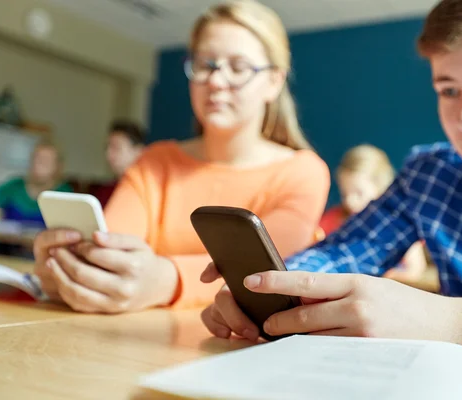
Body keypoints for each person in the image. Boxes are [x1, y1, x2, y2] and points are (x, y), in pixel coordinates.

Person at [201, 0, 462, 357]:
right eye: (449, 90)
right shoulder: (430, 174)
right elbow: (348, 251)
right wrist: (278, 289)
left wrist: (454, 320)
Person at [32, 0, 330, 313]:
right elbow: (110, 250)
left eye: (238, 67)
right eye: (206, 64)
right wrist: (71, 268)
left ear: (273, 82)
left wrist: (166, 280)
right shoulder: (154, 163)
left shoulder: (303, 171)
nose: (215, 81)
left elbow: (265, 272)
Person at [320, 144, 428, 281]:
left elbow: (414, 271)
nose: (350, 201)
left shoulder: (397, 225)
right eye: (344, 193)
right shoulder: (335, 219)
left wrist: (374, 276)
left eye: (358, 193)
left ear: (381, 188)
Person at [0, 141, 72, 226]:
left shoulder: (64, 194)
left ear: (58, 166)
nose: (38, 164)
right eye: (36, 158)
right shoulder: (13, 186)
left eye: (46, 160)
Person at [90, 119, 145, 208]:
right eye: (107, 148)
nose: (108, 154)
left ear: (139, 151)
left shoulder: (147, 193)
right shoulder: (104, 192)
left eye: (116, 148)